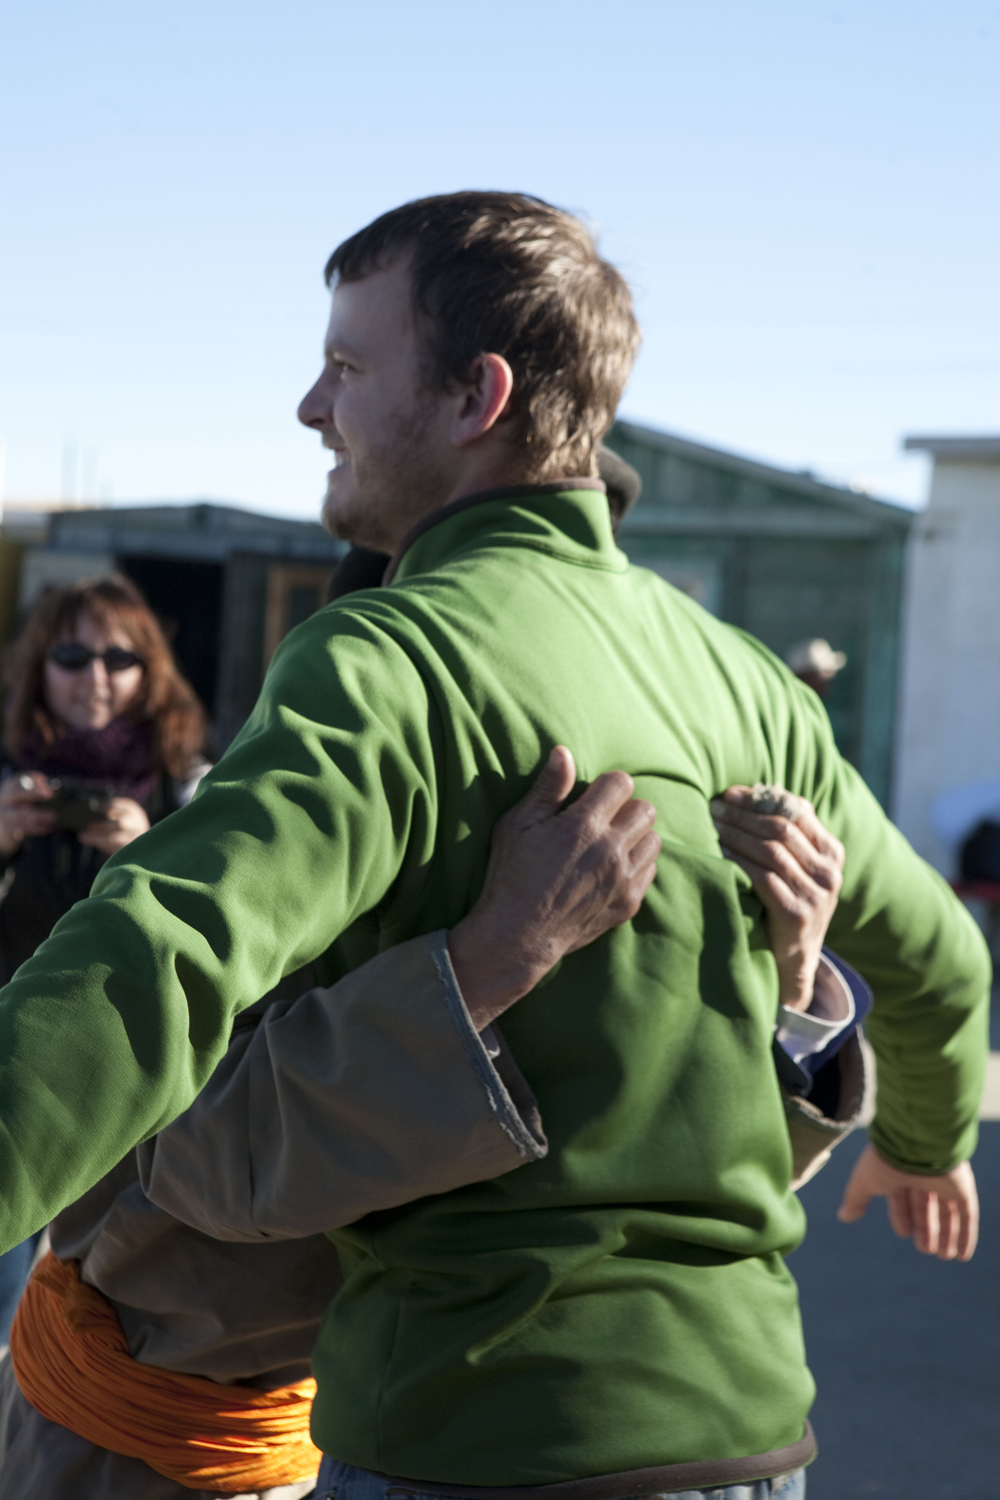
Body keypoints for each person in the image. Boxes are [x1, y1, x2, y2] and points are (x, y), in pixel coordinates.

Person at [0, 191, 988, 1500]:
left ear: (479, 397)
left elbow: (154, 963)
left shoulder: (392, 660)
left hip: (470, 1440)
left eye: (348, 366)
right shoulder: (745, 684)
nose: (311, 405)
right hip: (752, 1440)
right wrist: (922, 1137)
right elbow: (941, 961)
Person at [0, 746, 660, 1499]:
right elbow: (199, 1157)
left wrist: (779, 954)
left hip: (364, 1435)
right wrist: (492, 961)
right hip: (123, 1442)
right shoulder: (320, 805)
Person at [0, 574, 209, 1341]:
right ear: (38, 667)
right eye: (71, 656)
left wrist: (148, 854)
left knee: (106, 1313)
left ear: (150, 669)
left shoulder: (188, 785)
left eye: (118, 658)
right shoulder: (7, 773)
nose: (95, 677)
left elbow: (219, 936)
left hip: (133, 1074)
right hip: (13, 1062)